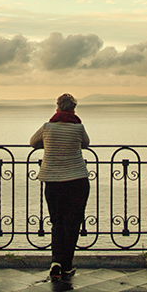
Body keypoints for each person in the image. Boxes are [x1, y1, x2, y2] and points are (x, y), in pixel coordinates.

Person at [30, 93, 90, 281]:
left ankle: (55, 261)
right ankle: (67, 264)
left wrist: (48, 143)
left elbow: (32, 142)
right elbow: (86, 144)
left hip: (53, 181)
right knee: (72, 223)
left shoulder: (47, 127)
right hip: (77, 181)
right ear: (73, 109)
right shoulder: (78, 128)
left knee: (57, 222)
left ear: (57, 108)